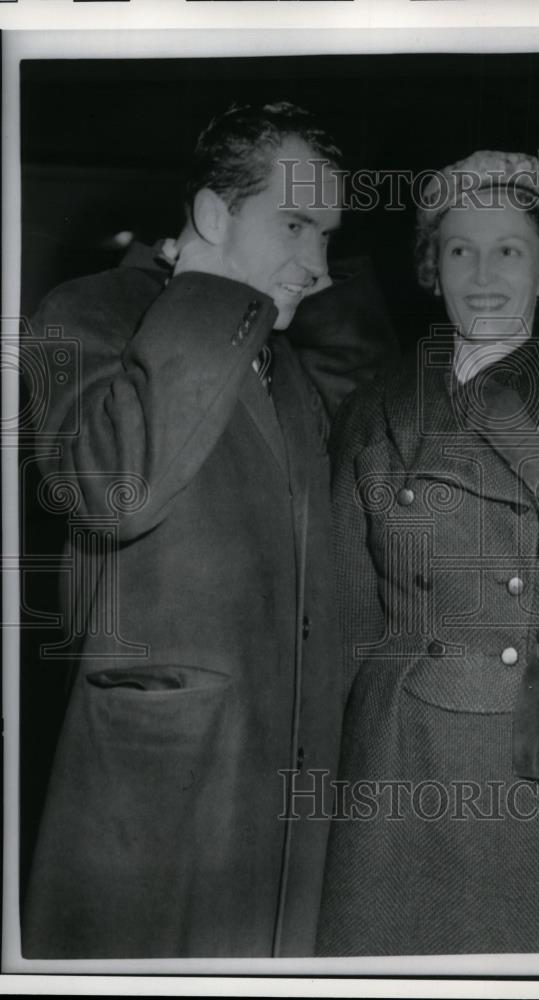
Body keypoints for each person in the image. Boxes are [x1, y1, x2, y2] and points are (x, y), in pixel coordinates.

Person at [22, 102, 396, 958]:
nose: (317, 264)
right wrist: (206, 290)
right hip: (161, 790)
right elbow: (114, 492)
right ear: (211, 215)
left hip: (287, 777)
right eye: (294, 225)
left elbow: (362, 452)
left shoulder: (281, 354)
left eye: (327, 235)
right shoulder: (87, 312)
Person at [316, 150, 539, 955]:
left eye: (509, 250)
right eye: (460, 249)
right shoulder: (375, 409)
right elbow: (342, 619)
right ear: (432, 268)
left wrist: (521, 437)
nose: (483, 275)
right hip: (400, 755)